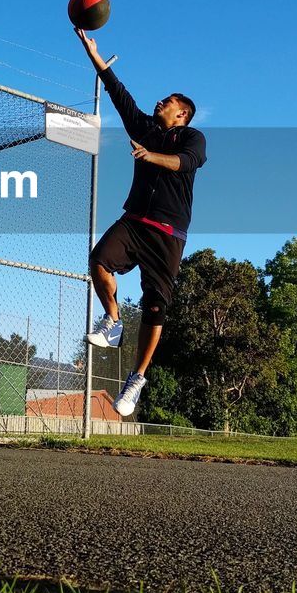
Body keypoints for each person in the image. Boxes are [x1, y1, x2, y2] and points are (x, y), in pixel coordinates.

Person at [76, 27, 207, 417]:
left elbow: (185, 164)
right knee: (98, 259)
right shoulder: (147, 129)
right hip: (134, 220)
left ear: (181, 113)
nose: (160, 102)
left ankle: (136, 379)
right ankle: (112, 320)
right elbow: (119, 94)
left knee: (154, 309)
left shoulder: (193, 138)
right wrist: (94, 54)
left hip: (168, 234)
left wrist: (150, 157)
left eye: (168, 102)